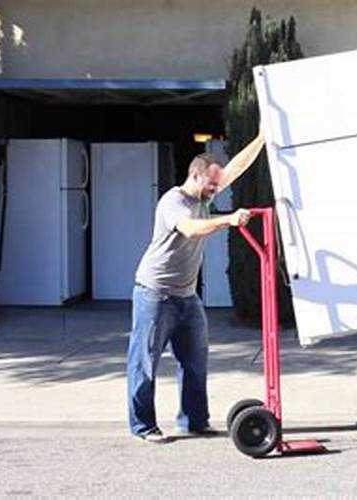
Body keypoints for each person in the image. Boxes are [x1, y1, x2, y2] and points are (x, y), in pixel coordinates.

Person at [127, 133, 265, 443]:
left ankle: (193, 422)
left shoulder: (206, 195)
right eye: (212, 185)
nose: (217, 190)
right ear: (195, 175)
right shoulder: (174, 201)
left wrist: (262, 138)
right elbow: (190, 228)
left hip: (187, 296)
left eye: (218, 186)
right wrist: (228, 220)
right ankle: (143, 427)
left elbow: (235, 168)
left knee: (195, 362)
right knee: (144, 362)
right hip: (155, 293)